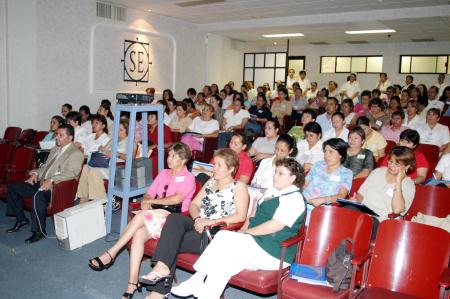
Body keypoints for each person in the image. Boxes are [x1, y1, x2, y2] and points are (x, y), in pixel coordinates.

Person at [171, 158, 306, 299]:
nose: (275, 176)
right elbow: (253, 215)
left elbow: (275, 226)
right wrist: (244, 230)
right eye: (275, 172)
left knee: (223, 237)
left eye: (280, 173)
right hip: (255, 245)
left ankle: (196, 279)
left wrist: (246, 233)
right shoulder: (272, 191)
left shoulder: (294, 198)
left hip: (274, 253)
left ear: (293, 178)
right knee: (224, 264)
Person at [88, 143, 196, 299]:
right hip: (155, 215)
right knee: (138, 234)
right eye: (169, 155)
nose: (169, 159)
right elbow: (149, 193)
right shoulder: (164, 173)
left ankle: (111, 253)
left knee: (139, 216)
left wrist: (153, 203)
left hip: (174, 220)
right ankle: (131, 284)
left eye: (174, 156)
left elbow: (176, 199)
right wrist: (146, 200)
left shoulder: (189, 178)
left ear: (184, 159)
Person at [137, 148, 249, 298]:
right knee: (174, 218)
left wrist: (210, 221)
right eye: (214, 164)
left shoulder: (239, 187)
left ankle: (158, 289)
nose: (214, 168)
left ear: (231, 169)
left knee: (172, 240)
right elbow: (193, 205)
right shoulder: (210, 182)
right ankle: (161, 269)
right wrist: (197, 219)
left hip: (215, 232)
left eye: (219, 165)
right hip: (198, 223)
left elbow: (240, 216)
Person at [5, 124, 84, 243]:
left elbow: (72, 173)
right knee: (14, 187)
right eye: (56, 134)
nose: (57, 137)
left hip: (56, 188)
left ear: (70, 138)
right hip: (42, 182)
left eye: (61, 135)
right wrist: (35, 174)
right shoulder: (55, 149)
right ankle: (21, 219)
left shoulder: (76, 153)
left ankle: (39, 231)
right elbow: (45, 168)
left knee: (38, 196)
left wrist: (51, 180)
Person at [350, 146, 416, 236]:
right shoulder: (378, 172)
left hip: (381, 221)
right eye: (390, 162)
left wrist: (398, 182)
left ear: (407, 166)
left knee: (361, 225)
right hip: (363, 214)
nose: (391, 166)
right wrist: (356, 200)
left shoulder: (408, 185)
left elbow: (397, 210)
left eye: (397, 164)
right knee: (348, 210)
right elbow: (361, 194)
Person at [77, 119, 137, 203]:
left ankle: (100, 201)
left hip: (119, 169)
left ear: (127, 130)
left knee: (94, 171)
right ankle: (83, 198)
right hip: (107, 165)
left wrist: (117, 154)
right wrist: (101, 149)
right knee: (86, 167)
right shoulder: (114, 139)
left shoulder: (131, 142)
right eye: (117, 129)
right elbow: (103, 151)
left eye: (121, 130)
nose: (118, 132)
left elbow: (132, 159)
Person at [302, 138, 353, 222]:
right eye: (325, 151)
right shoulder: (318, 165)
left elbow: (342, 195)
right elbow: (305, 183)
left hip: (321, 210)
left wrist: (323, 200)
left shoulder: (346, 173)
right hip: (302, 203)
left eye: (331, 152)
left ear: (341, 155)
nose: (326, 155)